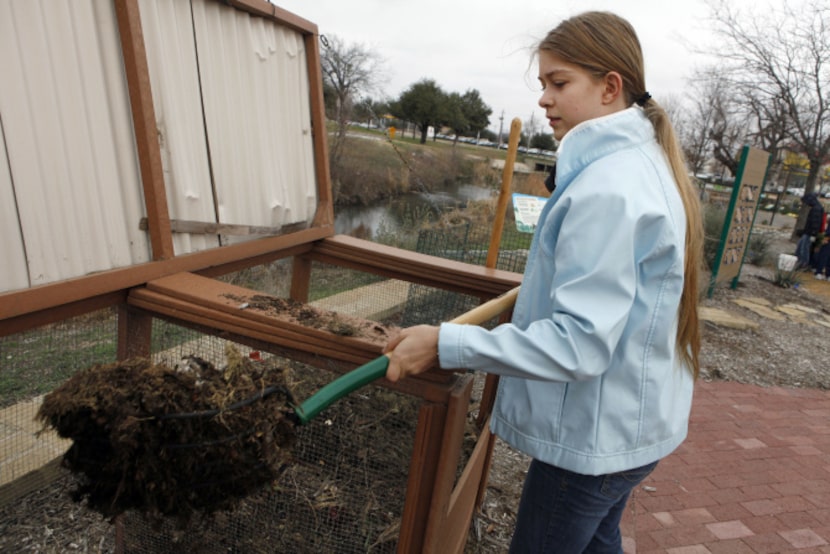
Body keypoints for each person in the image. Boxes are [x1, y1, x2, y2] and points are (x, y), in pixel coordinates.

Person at [382, 11, 704, 553]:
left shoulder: (606, 188)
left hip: (593, 440)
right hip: (630, 426)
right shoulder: (641, 165)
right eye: (542, 85)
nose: (544, 100)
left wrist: (445, 342)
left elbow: (579, 343)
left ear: (610, 88)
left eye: (559, 83)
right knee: (600, 543)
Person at [795, 192, 825, 270]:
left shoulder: (816, 209)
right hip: (808, 232)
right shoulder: (817, 207)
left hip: (810, 233)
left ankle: (803, 263)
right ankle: (800, 261)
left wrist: (813, 234)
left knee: (804, 248)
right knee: (801, 246)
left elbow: (815, 222)